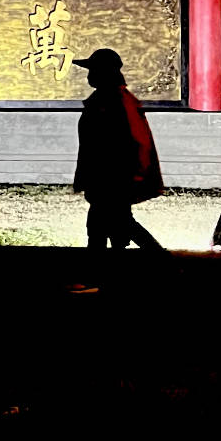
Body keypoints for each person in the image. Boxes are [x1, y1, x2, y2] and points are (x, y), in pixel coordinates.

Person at [67, 48, 166, 293]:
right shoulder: (107, 99)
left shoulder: (117, 101)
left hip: (113, 179)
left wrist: (133, 177)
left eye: (92, 70)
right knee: (116, 227)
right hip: (107, 178)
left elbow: (135, 141)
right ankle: (154, 269)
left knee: (109, 227)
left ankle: (99, 279)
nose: (89, 76)